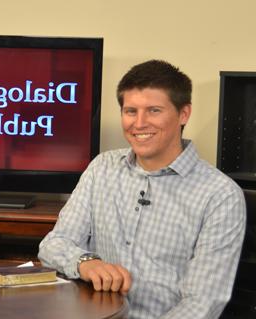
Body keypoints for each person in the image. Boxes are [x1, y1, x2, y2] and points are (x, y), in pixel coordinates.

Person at [38, 60, 246, 318]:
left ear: (184, 113)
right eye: (131, 111)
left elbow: (202, 304)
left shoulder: (220, 195)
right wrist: (86, 263)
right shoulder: (102, 168)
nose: (139, 123)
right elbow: (53, 245)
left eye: (154, 110)